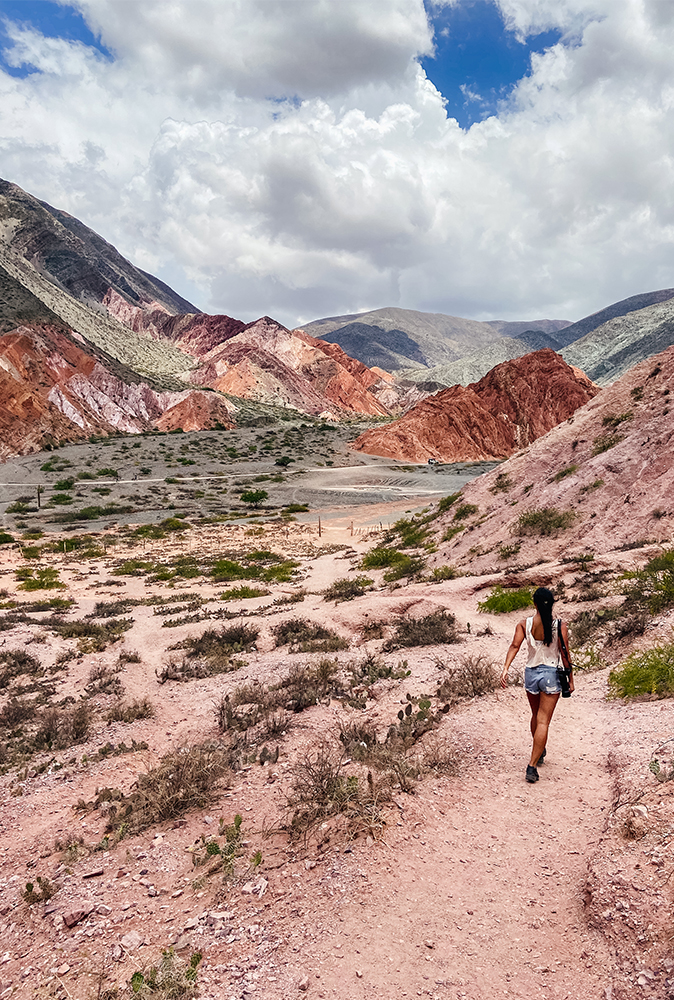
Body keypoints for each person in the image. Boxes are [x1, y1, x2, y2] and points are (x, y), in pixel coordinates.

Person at [500, 586, 573, 784]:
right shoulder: (559, 625)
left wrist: (506, 668)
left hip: (531, 673)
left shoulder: (525, 624)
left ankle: (539, 751)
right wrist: (571, 680)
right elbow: (564, 655)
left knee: (535, 715)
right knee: (544, 721)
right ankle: (532, 765)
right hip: (551, 674)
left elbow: (514, 645)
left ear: (535, 603)